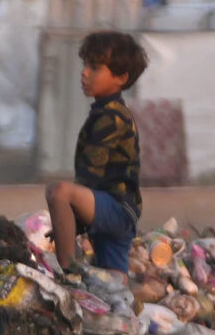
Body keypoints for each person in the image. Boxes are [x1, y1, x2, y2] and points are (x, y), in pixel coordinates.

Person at [48, 30, 146, 276]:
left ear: (121, 77)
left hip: (115, 208)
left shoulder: (111, 116)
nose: (84, 72)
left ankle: (67, 270)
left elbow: (90, 174)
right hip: (120, 211)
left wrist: (72, 219)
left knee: (59, 192)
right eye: (85, 65)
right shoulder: (106, 111)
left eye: (94, 67)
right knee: (113, 286)